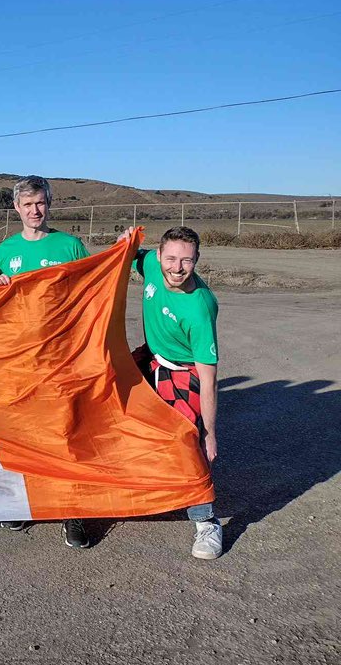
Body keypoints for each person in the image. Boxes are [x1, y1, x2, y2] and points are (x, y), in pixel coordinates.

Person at [0, 175, 92, 549]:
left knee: (66, 433)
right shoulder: (6, 250)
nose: (35, 210)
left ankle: (73, 510)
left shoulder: (70, 245)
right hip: (20, 358)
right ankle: (24, 502)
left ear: (49, 205)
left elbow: (91, 291)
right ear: (16, 208)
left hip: (62, 357)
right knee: (24, 432)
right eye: (27, 204)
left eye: (41, 203)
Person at [125, 226, 222, 560]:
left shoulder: (200, 308)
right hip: (150, 358)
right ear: (159, 255)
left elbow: (208, 378)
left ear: (197, 260)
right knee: (111, 408)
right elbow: (129, 259)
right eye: (171, 259)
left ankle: (206, 522)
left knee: (186, 444)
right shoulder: (151, 263)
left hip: (182, 372)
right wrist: (125, 245)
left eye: (186, 261)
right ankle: (144, 489)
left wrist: (209, 433)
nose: (177, 268)